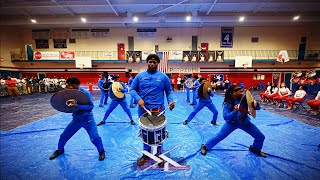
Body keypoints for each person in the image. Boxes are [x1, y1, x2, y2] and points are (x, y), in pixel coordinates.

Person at [130, 54, 175, 166]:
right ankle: (146, 154)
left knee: (159, 132)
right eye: (150, 62)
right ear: (147, 63)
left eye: (155, 62)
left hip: (158, 110)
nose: (152, 64)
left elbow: (169, 91)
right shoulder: (140, 76)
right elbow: (132, 90)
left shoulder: (163, 77)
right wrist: (138, 98)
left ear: (157, 64)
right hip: (143, 109)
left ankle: (159, 153)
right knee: (144, 131)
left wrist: (170, 101)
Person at [200, 85, 266, 157]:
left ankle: (255, 149)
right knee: (219, 136)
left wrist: (256, 105)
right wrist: (235, 110)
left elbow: (256, 109)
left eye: (243, 91)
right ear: (234, 93)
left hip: (244, 122)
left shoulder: (245, 99)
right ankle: (205, 146)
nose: (242, 93)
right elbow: (226, 117)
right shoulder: (228, 103)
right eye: (240, 91)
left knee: (260, 136)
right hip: (231, 124)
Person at [49, 77, 105, 161]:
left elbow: (90, 106)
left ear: (78, 85)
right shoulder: (68, 93)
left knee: (95, 137)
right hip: (76, 119)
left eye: (73, 85)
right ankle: (60, 150)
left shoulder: (85, 93)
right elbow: (64, 104)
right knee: (64, 136)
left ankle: (101, 151)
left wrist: (77, 106)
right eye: (69, 85)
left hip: (87, 119)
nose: (71, 87)